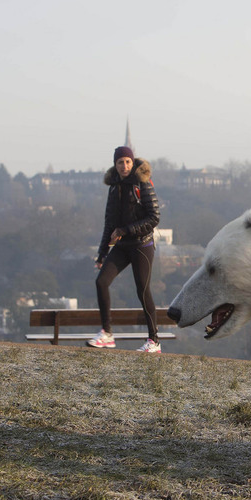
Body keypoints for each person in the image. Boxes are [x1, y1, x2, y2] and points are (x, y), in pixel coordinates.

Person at [87, 146, 162, 352]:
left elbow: (154, 217)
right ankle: (107, 334)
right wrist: (102, 253)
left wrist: (126, 229)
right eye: (120, 162)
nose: (125, 166)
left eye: (128, 161)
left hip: (142, 245)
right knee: (101, 281)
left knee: (142, 290)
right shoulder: (113, 187)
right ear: (115, 165)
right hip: (122, 246)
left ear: (133, 162)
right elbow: (109, 223)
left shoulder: (142, 183)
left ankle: (154, 340)